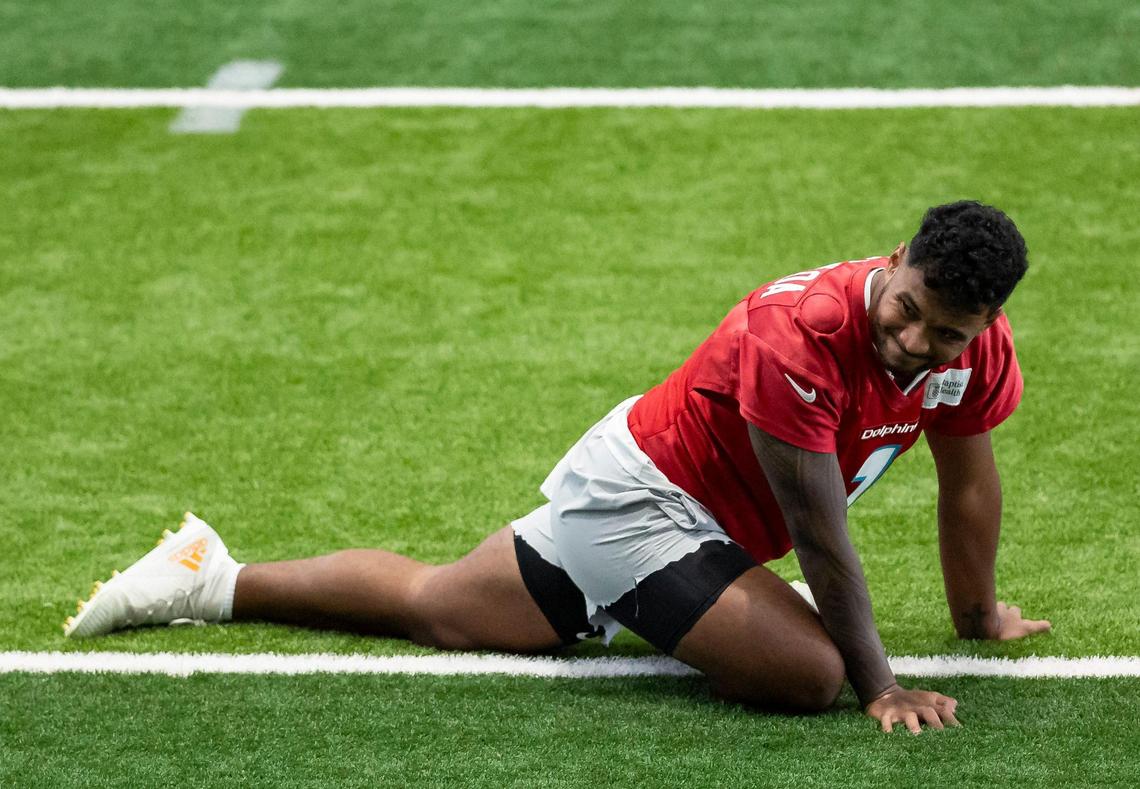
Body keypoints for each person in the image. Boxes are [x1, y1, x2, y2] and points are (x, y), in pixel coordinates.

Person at [65, 200, 1051, 734]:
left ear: (986, 325)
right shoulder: (803, 331)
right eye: (908, 308)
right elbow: (819, 534)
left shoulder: (971, 357)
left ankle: (212, 579)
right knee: (807, 674)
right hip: (639, 501)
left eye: (946, 332)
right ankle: (711, 614)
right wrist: (879, 686)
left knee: (442, 611)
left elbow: (970, 483)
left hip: (694, 521)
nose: (915, 339)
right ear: (898, 257)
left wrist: (980, 619)